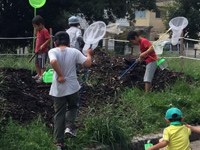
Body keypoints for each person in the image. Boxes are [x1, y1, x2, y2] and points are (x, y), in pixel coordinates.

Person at [48, 31, 92, 150]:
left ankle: (59, 143)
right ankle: (69, 127)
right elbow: (87, 63)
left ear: (55, 43)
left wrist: (60, 76)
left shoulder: (53, 51)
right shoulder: (74, 52)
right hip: (72, 87)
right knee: (72, 107)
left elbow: (53, 61)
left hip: (58, 89)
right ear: (69, 42)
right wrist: (88, 54)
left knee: (59, 114)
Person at [32, 15, 50, 83]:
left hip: (43, 51)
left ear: (40, 25)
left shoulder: (45, 31)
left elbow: (49, 39)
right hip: (37, 50)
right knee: (36, 63)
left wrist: (43, 45)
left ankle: (42, 76)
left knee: (42, 65)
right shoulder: (38, 31)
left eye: (35, 26)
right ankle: (39, 74)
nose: (35, 28)